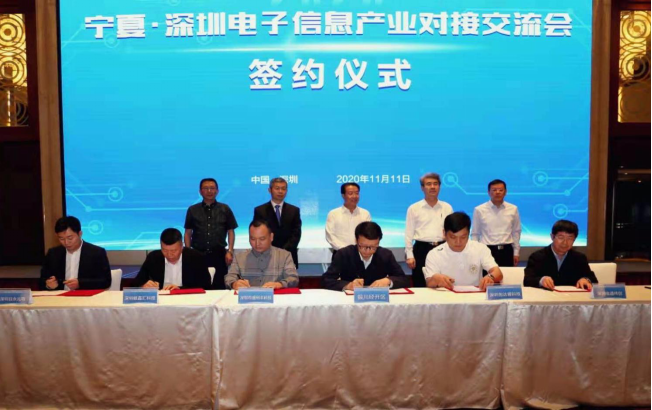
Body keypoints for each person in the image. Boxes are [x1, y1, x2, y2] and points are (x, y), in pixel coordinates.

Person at [424, 212, 503, 291]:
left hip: (474, 296)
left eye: (463, 237)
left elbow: (498, 272)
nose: (458, 242)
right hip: (445, 296)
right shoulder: (434, 254)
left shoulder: (480, 248)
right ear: (444, 233)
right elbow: (429, 283)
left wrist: (490, 277)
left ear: (468, 234)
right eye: (453, 237)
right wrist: (435, 279)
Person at [322, 221, 410, 291]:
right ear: (356, 240)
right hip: (351, 302)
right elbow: (326, 280)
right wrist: (348, 285)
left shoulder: (385, 255)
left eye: (373, 247)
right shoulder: (344, 254)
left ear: (378, 242)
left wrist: (388, 281)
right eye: (363, 246)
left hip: (378, 302)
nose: (367, 251)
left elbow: (404, 279)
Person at [184, 178, 238, 289]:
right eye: (206, 188)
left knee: (220, 285)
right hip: (198, 255)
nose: (209, 191)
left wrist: (230, 251)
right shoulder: (192, 210)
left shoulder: (225, 209)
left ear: (217, 191)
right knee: (199, 285)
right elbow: (188, 233)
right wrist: (188, 252)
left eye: (212, 188)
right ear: (200, 191)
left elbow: (231, 231)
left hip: (219, 254)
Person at [405, 173, 454, 287]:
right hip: (421, 249)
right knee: (421, 283)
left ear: (439, 187)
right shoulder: (414, 208)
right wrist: (409, 255)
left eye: (435, 184)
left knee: (443, 282)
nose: (432, 187)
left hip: (442, 248)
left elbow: (451, 231)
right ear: (422, 188)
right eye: (428, 184)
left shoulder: (447, 207)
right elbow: (408, 233)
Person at [40, 216, 111, 291]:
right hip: (60, 296)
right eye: (61, 239)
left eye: (70, 238)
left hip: (85, 296)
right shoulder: (53, 254)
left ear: (80, 234)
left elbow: (106, 281)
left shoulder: (97, 252)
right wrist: (48, 285)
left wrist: (80, 283)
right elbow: (41, 281)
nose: (66, 242)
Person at [225, 220, 299, 290]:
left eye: (262, 239)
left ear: (271, 237)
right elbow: (229, 277)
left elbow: (293, 278)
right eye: (253, 239)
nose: (257, 243)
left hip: (275, 298)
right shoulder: (239, 257)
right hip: (249, 298)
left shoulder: (284, 256)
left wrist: (279, 284)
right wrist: (234, 284)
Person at [524, 220, 598, 290]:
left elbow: (593, 279)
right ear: (552, 237)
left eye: (570, 238)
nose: (565, 242)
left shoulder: (579, 258)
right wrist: (541, 280)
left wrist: (586, 279)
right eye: (561, 237)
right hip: (546, 297)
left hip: (572, 298)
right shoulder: (537, 257)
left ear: (574, 240)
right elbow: (527, 280)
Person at [133, 228, 212, 290]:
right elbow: (136, 282)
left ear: (181, 246)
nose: (169, 255)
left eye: (173, 251)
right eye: (165, 250)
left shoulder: (196, 257)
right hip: (161, 301)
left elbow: (206, 285)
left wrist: (180, 289)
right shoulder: (153, 257)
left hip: (188, 300)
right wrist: (143, 285)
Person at [471, 179, 522, 267]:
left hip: (507, 250)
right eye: (494, 190)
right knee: (488, 275)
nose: (497, 192)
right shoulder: (479, 210)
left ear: (505, 192)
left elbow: (516, 232)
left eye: (501, 190)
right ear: (488, 192)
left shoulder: (513, 209)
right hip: (487, 250)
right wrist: (475, 253)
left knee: (507, 275)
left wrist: (516, 252)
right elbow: (475, 234)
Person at [253, 177, 302, 268]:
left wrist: (284, 251)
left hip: (289, 256)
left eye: (283, 189)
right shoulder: (260, 210)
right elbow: (257, 234)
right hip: (266, 256)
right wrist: (271, 251)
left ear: (286, 191)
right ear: (270, 190)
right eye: (277, 188)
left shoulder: (294, 210)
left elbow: (296, 234)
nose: (280, 191)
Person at [325, 183, 372, 255]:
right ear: (343, 195)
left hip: (361, 254)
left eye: (357, 193)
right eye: (350, 193)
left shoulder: (365, 213)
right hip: (340, 253)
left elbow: (368, 234)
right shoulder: (333, 214)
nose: (354, 196)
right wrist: (345, 250)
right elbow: (330, 236)